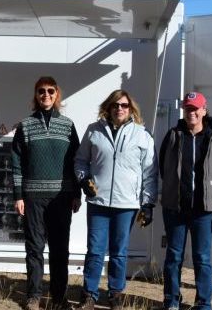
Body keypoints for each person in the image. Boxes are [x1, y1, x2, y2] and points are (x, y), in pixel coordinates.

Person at [74, 89, 157, 310]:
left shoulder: (142, 135)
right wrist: (84, 181)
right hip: (98, 202)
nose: (119, 109)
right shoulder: (94, 131)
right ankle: (89, 294)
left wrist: (148, 203)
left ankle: (115, 294)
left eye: (124, 105)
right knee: (95, 250)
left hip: (127, 204)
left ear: (131, 109)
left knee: (119, 252)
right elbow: (80, 160)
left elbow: (149, 172)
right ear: (108, 108)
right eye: (115, 105)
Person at [11, 76, 81, 310]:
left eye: (51, 91)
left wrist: (77, 193)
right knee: (34, 248)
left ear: (57, 94)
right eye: (41, 91)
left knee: (60, 249)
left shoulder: (68, 125)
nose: (46, 95)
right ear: (36, 94)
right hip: (33, 197)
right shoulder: (25, 125)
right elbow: (17, 162)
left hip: (62, 197)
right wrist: (18, 195)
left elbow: (76, 161)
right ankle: (33, 296)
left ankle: (59, 297)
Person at [157, 92, 212, 310]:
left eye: (196, 108)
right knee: (174, 257)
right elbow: (163, 167)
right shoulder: (173, 135)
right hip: (175, 208)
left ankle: (204, 303)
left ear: (204, 110)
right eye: (188, 108)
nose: (192, 112)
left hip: (203, 210)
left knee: (202, 258)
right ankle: (171, 301)